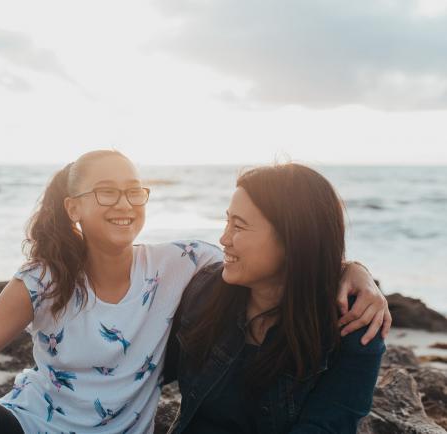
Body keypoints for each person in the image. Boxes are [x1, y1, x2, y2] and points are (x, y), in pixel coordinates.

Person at [0, 151, 389, 434]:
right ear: (74, 208)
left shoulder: (182, 267)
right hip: (31, 425)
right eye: (106, 192)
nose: (224, 238)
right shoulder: (51, 279)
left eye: (133, 190)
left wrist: (355, 271)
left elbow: (296, 256)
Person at [165, 163, 387, 434]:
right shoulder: (206, 290)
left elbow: (326, 427)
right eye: (227, 221)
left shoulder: (353, 324)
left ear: (292, 237)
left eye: (239, 226)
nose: (224, 238)